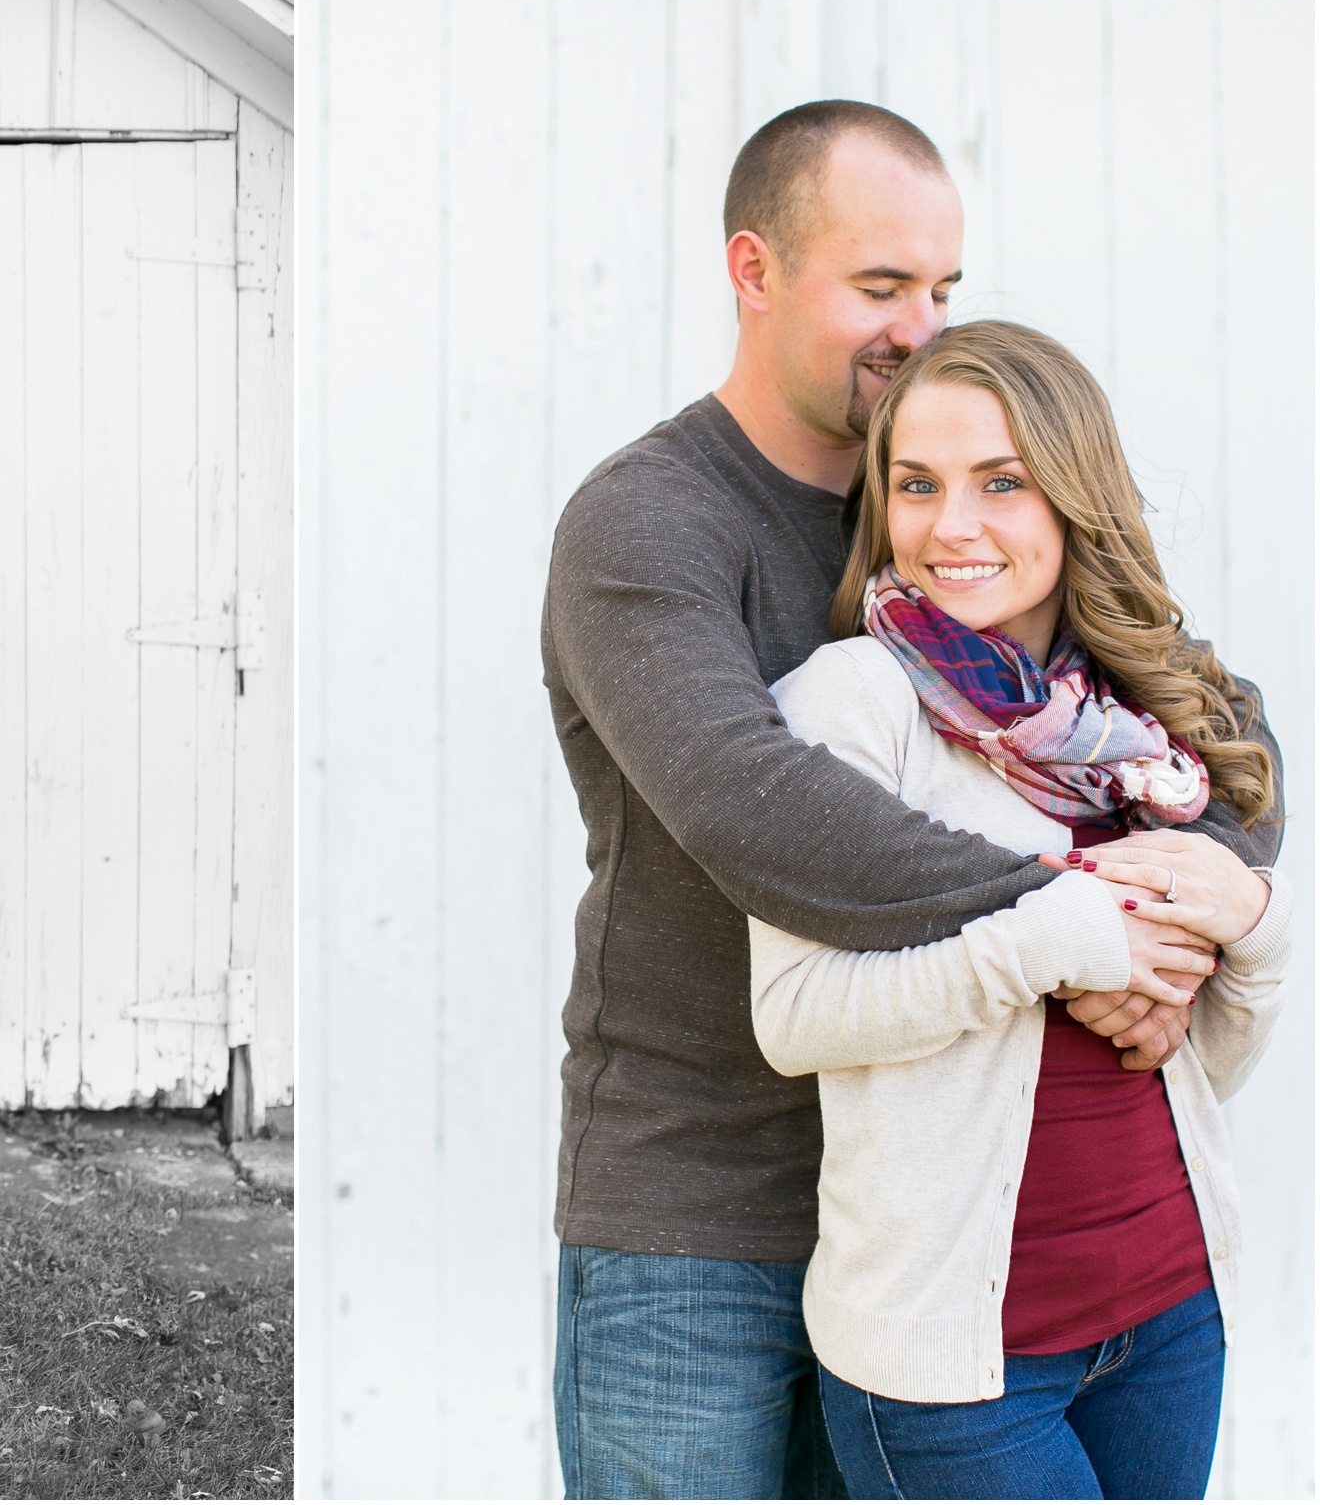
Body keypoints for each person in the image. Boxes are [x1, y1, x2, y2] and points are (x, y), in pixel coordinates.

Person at [540, 101, 1281, 1499]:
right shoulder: (647, 526)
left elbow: (1204, 719)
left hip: (943, 1219)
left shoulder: (951, 497)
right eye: (882, 286)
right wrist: (1097, 924)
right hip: (701, 1217)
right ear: (754, 272)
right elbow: (763, 812)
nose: (922, 324)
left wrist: (1216, 887)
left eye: (944, 286)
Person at [749, 320, 1287, 1499]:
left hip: (1170, 1311)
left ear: (1071, 492)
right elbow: (793, 1017)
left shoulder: (1143, 735)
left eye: (1001, 481)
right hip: (954, 1363)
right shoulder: (853, 702)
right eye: (916, 484)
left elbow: (1201, 1060)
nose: (952, 526)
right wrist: (1061, 935)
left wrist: (1249, 924)